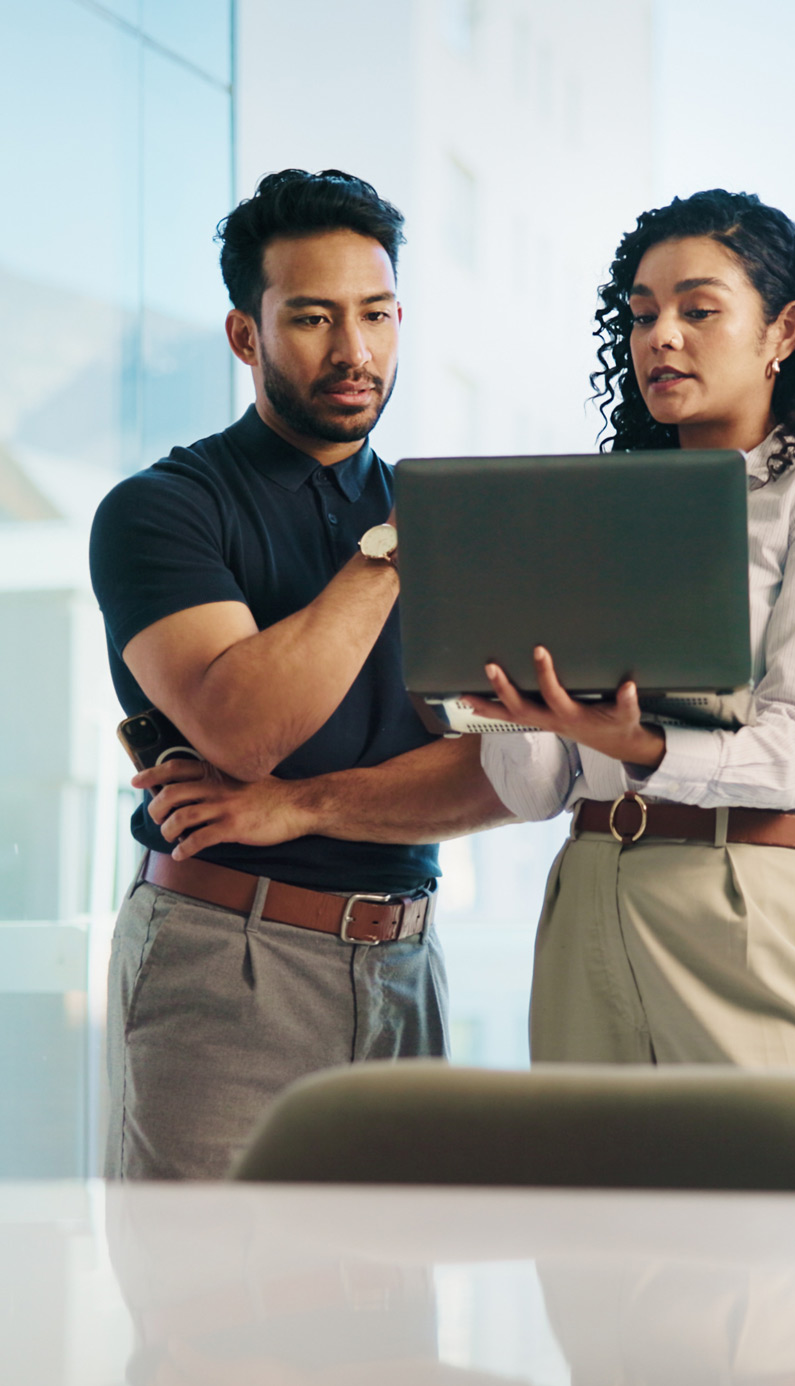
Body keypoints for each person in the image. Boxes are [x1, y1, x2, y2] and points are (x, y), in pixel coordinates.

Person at [90, 169, 511, 1180]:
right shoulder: (163, 511)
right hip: (227, 957)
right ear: (247, 335)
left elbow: (498, 777)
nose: (355, 352)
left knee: (389, 1319)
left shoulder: (446, 514)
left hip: (408, 961)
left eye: (376, 315)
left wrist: (296, 806)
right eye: (315, 319)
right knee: (214, 1319)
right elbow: (245, 729)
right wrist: (401, 547)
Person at [471, 189, 795, 1076]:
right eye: (641, 315)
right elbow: (535, 792)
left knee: (783, 1204)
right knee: (593, 1207)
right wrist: (508, 700)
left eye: (698, 310)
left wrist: (642, 744)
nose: (660, 336)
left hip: (741, 897)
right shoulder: (595, 509)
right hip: (587, 887)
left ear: (782, 331)